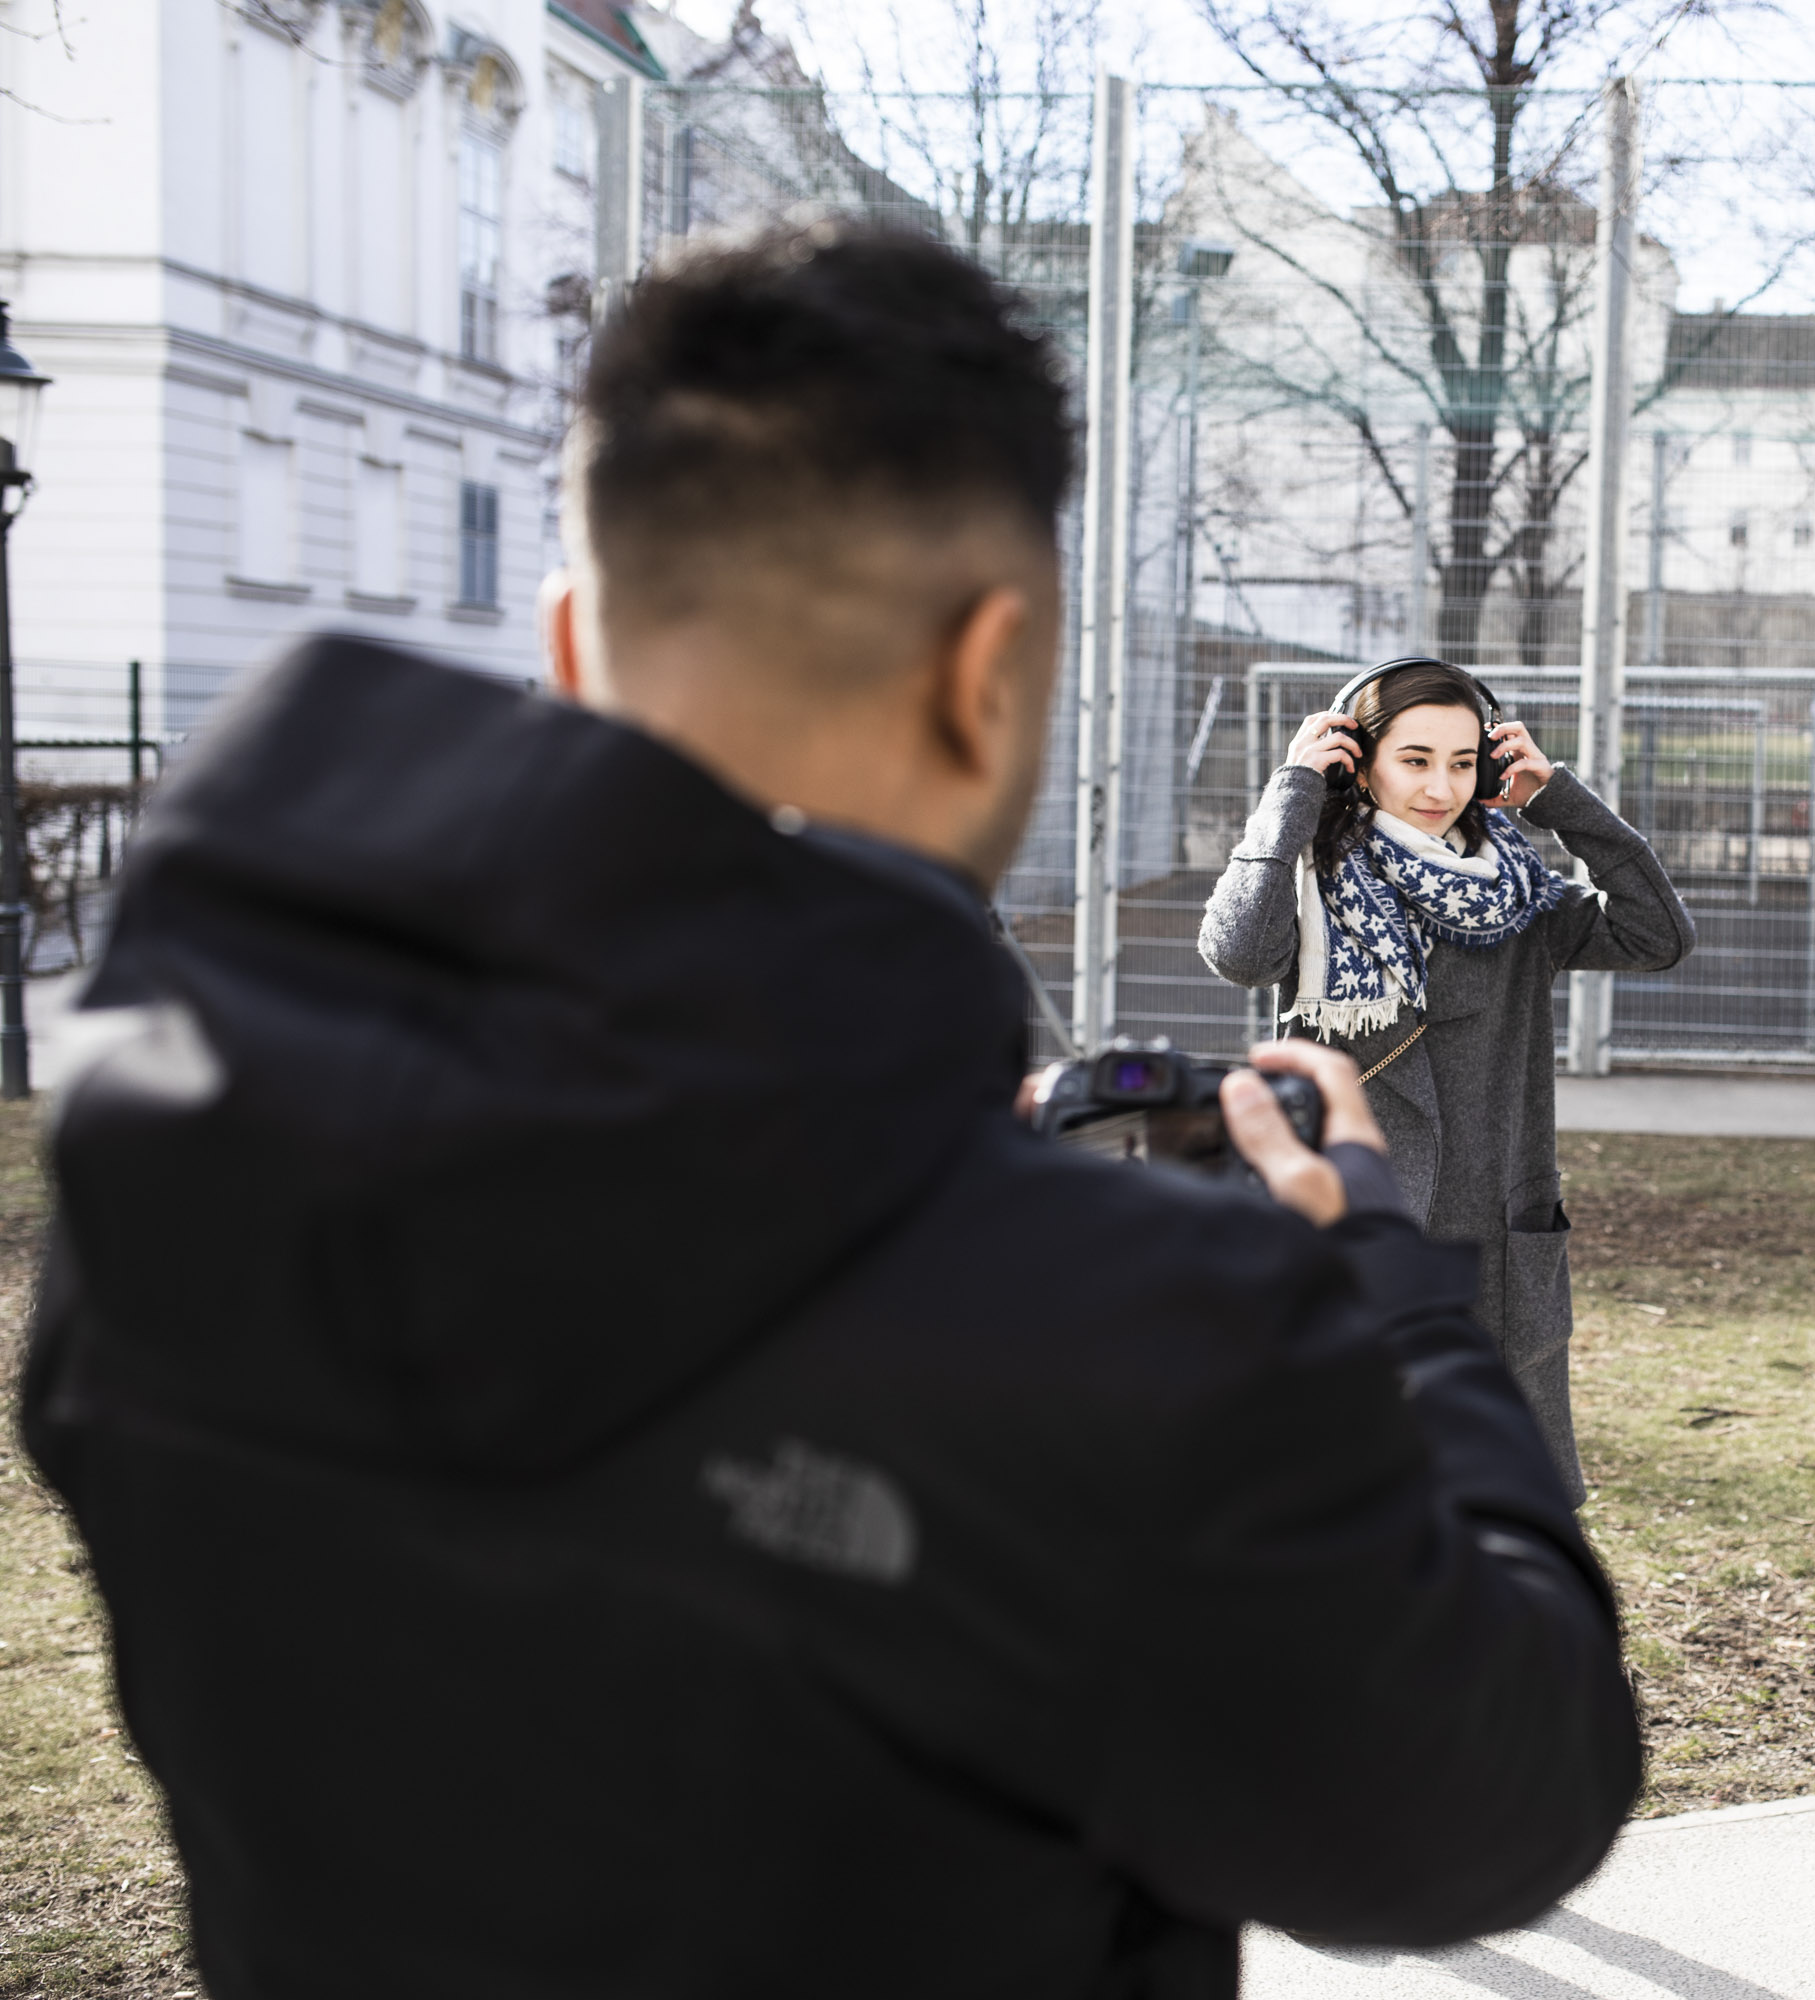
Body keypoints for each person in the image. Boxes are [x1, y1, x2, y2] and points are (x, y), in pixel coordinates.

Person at [19, 223, 1639, 1996]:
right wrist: (1390, 1306)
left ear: (570, 643)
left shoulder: (175, 1156)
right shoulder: (1127, 1330)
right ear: (989, 670)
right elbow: (1494, 1796)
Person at [1198, 660, 1694, 1501]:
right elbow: (1240, 954)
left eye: (1464, 762)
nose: (1440, 787)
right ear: (1359, 764)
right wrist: (1292, 795)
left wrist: (1559, 801)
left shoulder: (1521, 897)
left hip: (1492, 1243)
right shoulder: (1310, 881)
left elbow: (1659, 936)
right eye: (1416, 759)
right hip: (1349, 1223)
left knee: (1498, 1501)